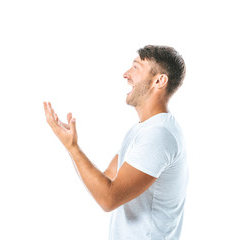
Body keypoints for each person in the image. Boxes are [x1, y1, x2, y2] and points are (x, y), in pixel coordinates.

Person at [43, 45, 188, 240]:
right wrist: (70, 147)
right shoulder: (143, 130)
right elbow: (105, 181)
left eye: (136, 68)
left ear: (159, 80)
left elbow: (108, 198)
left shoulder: (158, 135)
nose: (126, 75)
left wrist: (73, 148)